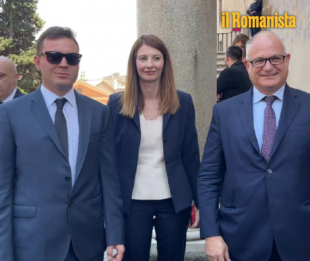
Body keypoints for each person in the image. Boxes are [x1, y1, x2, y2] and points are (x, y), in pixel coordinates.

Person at [0, 26, 124, 261]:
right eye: (54, 56)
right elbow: (3, 189)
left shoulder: (99, 113)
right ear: (38, 61)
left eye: (72, 58)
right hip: (33, 244)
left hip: (87, 244)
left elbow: (109, 180)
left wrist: (115, 235)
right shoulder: (10, 113)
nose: (64, 64)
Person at [198, 31, 310, 261]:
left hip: (300, 238)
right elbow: (209, 177)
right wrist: (211, 234)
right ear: (248, 64)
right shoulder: (224, 112)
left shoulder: (308, 106)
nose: (268, 67)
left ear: (287, 59)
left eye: (275, 58)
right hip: (239, 240)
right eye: (259, 61)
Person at [107, 34, 200, 261]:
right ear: (134, 63)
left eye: (156, 58)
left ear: (165, 62)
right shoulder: (116, 103)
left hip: (173, 201)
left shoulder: (183, 102)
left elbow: (191, 156)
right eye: (143, 58)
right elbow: (109, 159)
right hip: (132, 202)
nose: (150, 64)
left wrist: (199, 201)